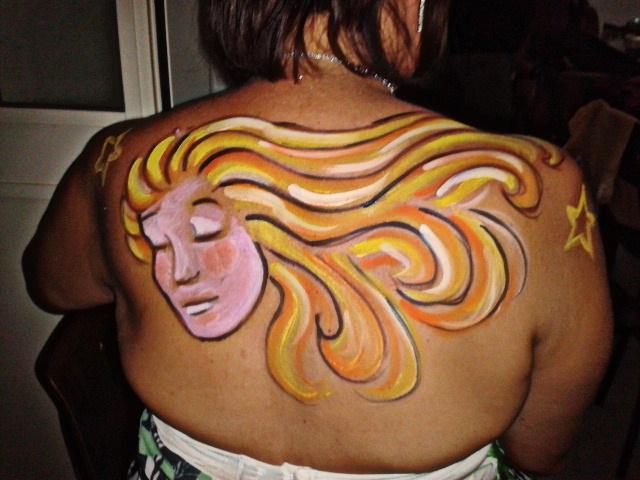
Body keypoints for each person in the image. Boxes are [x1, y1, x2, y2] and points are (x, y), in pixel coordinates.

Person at [23, 0, 612, 478]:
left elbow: (51, 285)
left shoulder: (118, 160)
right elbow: (540, 451)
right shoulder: (541, 192)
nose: (179, 271)